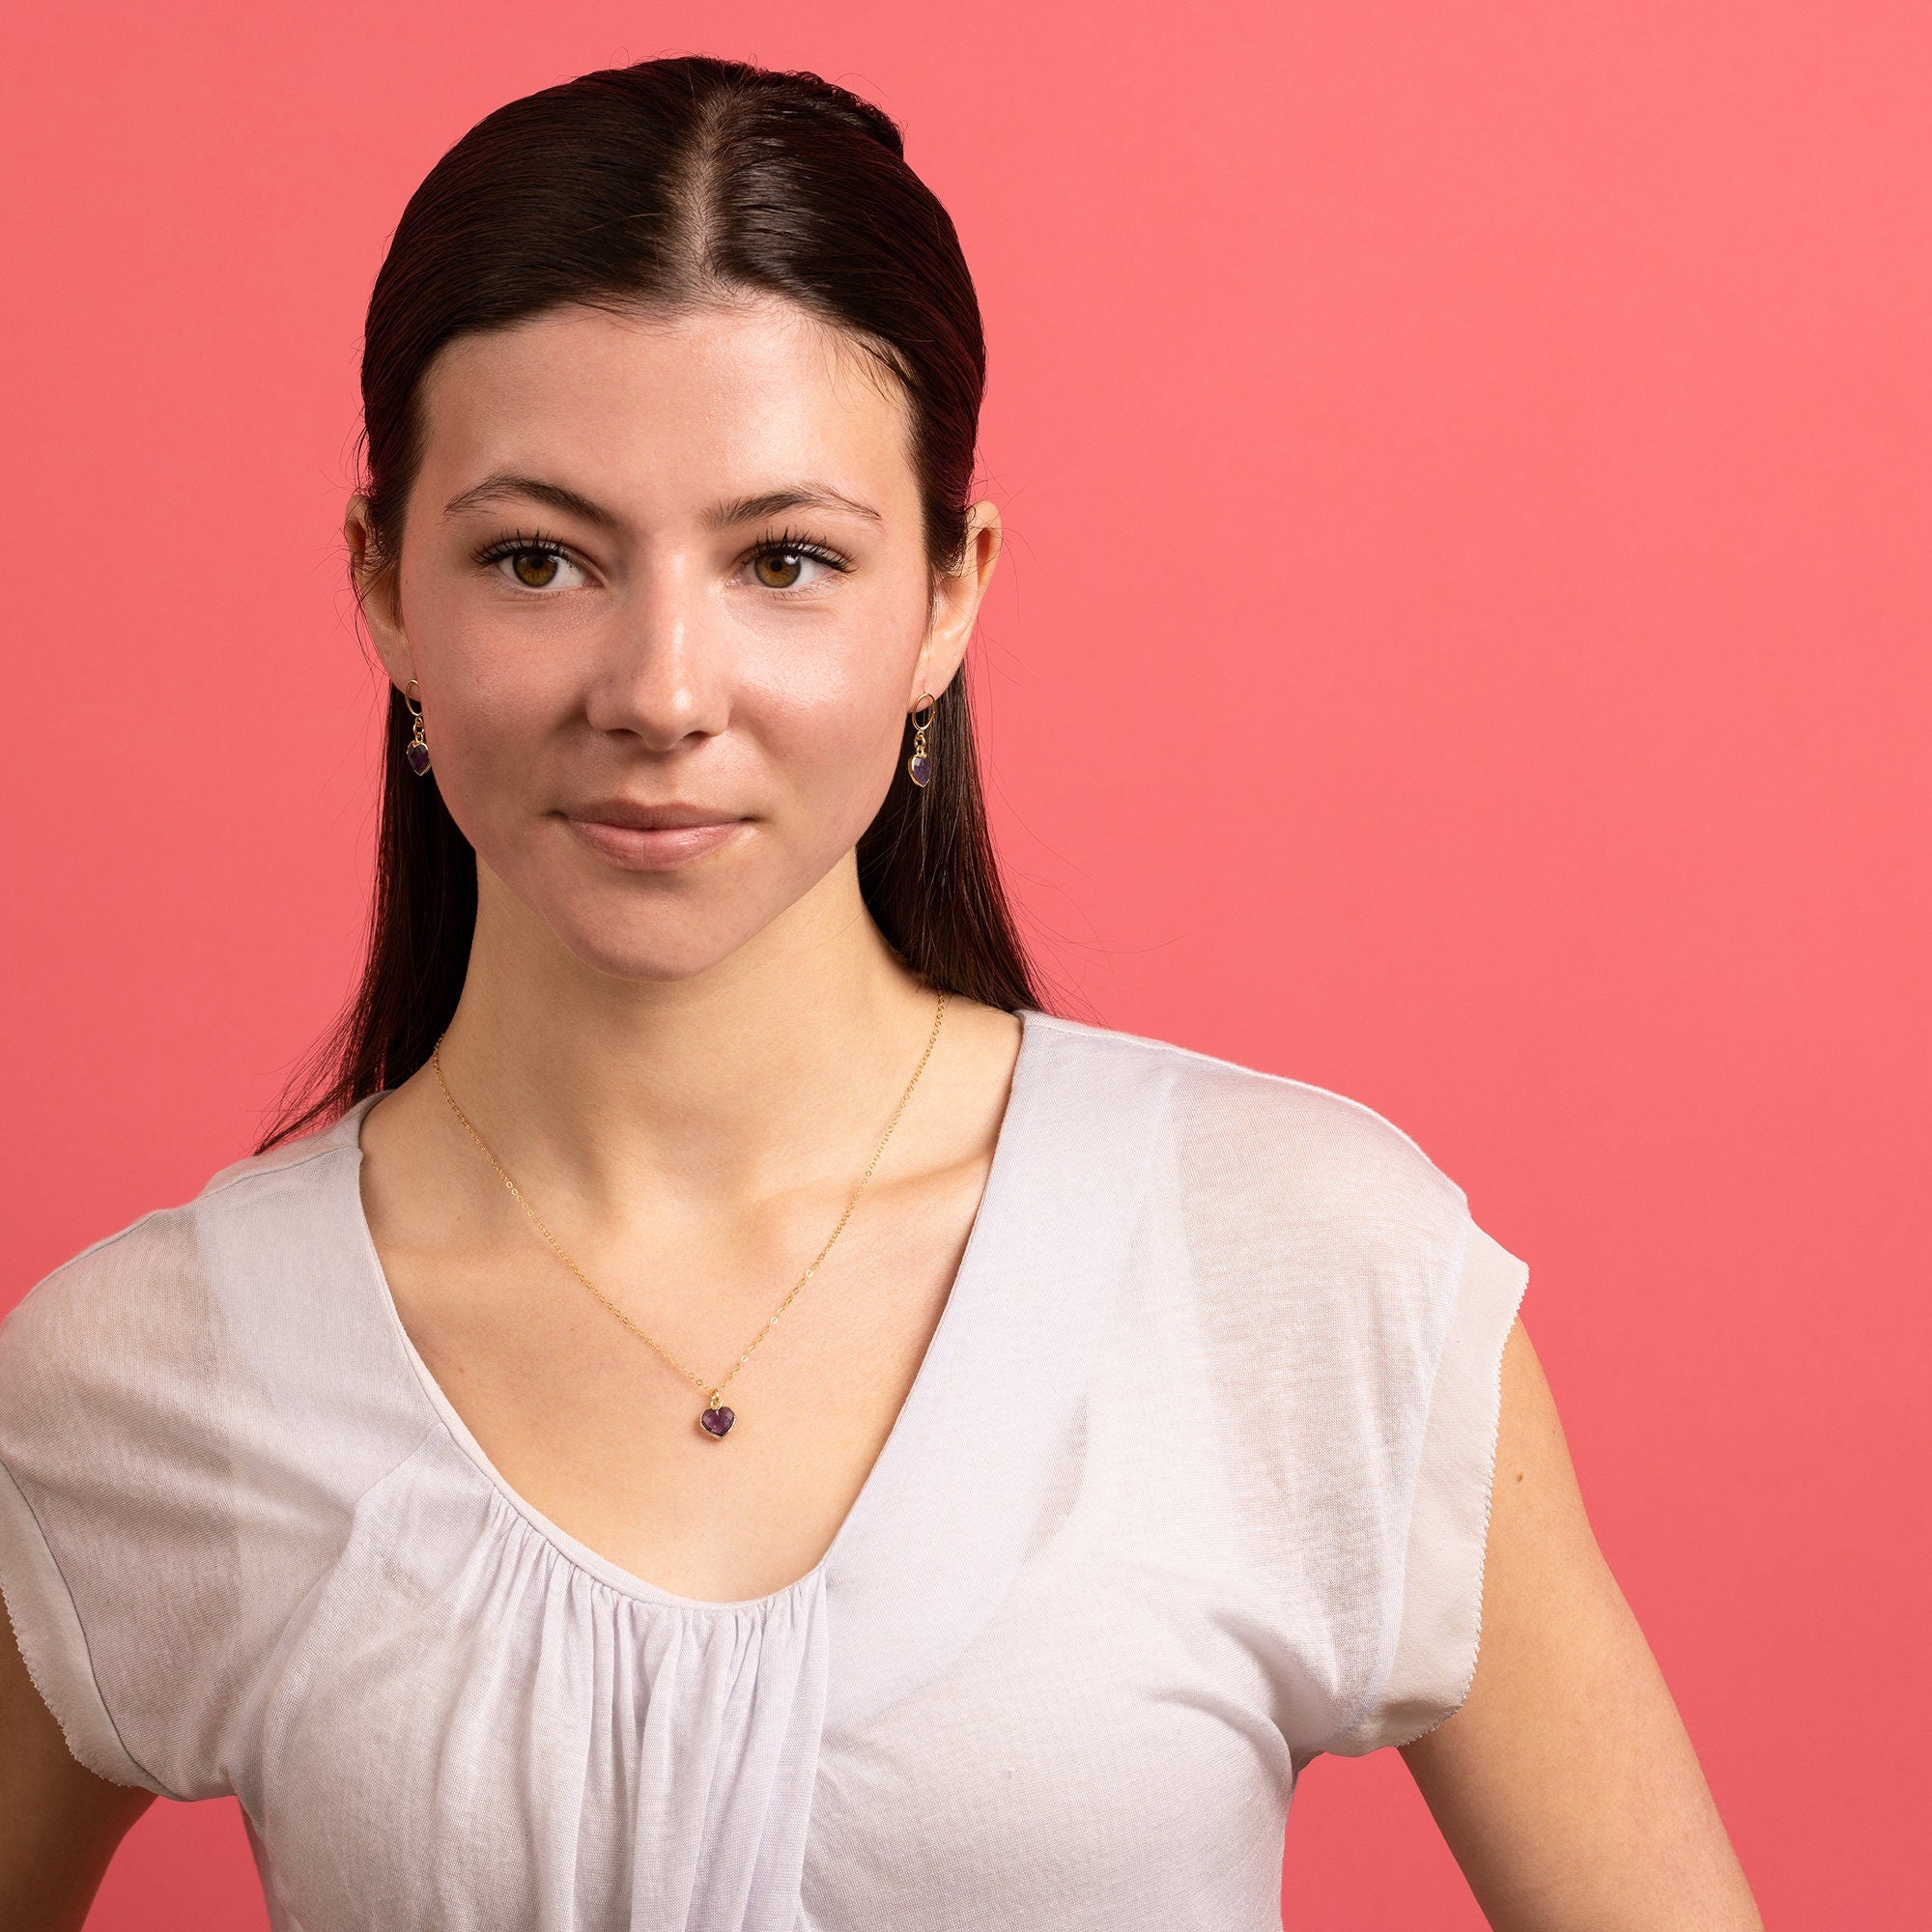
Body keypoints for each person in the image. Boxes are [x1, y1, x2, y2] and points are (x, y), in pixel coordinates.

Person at [0, 54, 1761, 1932]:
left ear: (947, 591)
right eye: (539, 557)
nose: (663, 690)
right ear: (382, 587)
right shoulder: (139, 1380)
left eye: (784, 560)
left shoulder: (1304, 1269)